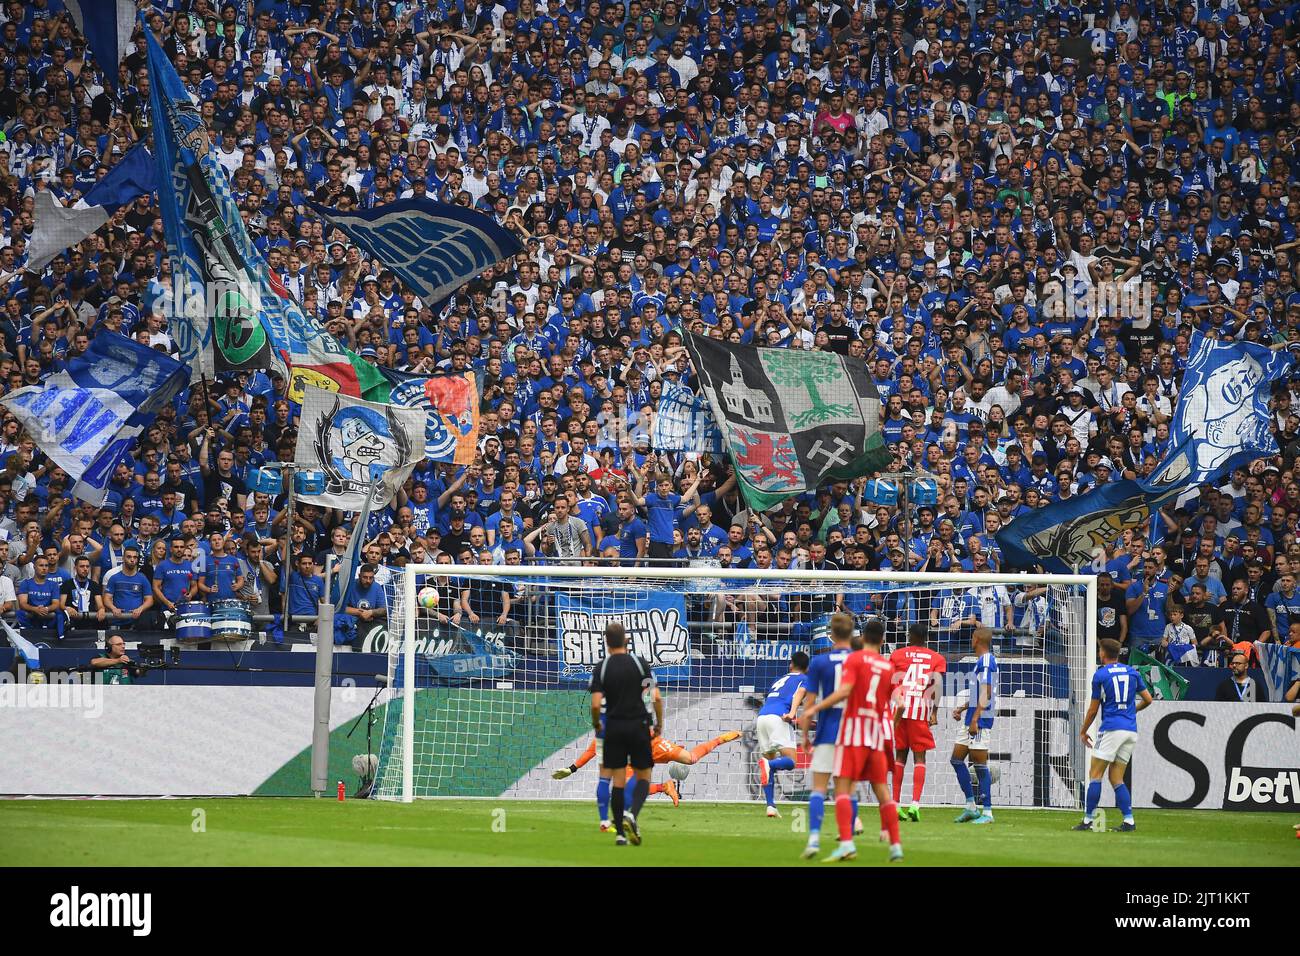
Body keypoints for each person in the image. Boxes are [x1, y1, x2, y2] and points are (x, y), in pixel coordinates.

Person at [799, 616, 902, 863]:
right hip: (875, 734)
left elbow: (839, 692)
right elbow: (898, 698)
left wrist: (810, 715)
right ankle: (892, 843)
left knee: (829, 787)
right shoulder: (886, 665)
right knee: (877, 789)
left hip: (844, 731)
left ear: (831, 635)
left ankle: (823, 839)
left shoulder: (835, 660)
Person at [587, 621, 663, 845]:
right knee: (643, 777)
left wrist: (596, 724)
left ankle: (620, 834)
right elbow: (654, 697)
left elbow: (595, 704)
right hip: (638, 725)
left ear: (607, 643)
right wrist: (658, 723)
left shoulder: (602, 667)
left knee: (617, 781)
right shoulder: (640, 665)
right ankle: (632, 814)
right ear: (626, 641)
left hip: (613, 727)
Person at [797, 611, 859, 859]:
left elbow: (808, 704)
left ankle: (813, 839)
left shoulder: (820, 662)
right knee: (846, 791)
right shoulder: (860, 661)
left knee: (819, 789)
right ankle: (847, 842)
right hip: (853, 732)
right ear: (853, 633)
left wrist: (804, 736)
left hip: (827, 730)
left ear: (830, 635)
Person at [1074, 638, 1153, 832]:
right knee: (1116, 778)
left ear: (1102, 653)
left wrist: (1083, 731)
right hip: (1130, 731)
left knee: (1095, 774)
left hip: (1111, 729)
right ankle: (1129, 821)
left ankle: (1088, 820)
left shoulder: (1100, 675)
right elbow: (1148, 699)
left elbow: (1093, 710)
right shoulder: (1132, 672)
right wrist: (1131, 711)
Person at [890, 623, 947, 821]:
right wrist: (935, 712)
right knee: (919, 758)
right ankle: (915, 804)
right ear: (926, 637)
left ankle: (895, 804)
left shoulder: (897, 655)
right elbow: (938, 686)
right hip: (920, 711)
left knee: (899, 757)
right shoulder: (936, 658)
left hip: (899, 709)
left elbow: (890, 681)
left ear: (909, 635)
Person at [952, 627, 998, 824]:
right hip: (971, 715)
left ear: (977, 639)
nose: (971, 640)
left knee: (979, 764)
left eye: (972, 637)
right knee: (956, 760)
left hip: (980, 719)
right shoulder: (981, 661)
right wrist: (962, 709)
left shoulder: (987, 660)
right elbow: (978, 692)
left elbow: (986, 693)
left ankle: (987, 813)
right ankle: (971, 806)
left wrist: (974, 719)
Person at [755, 650, 809, 818]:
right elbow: (799, 693)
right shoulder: (805, 678)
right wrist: (793, 713)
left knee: (769, 765)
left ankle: (771, 806)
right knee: (791, 761)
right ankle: (768, 765)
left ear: (791, 664)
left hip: (762, 718)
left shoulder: (779, 680)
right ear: (806, 668)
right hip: (779, 719)